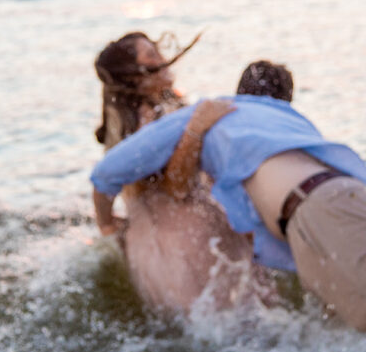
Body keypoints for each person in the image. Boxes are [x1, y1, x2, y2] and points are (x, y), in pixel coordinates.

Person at [92, 61, 366, 346]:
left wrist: (107, 225)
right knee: (361, 342)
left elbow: (106, 173)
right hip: (360, 206)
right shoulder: (289, 123)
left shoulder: (217, 112)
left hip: (322, 212)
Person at [92, 32, 270, 313]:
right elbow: (177, 187)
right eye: (151, 56)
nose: (163, 60)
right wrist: (197, 128)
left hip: (157, 244)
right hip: (183, 244)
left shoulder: (150, 115)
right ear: (135, 77)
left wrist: (107, 226)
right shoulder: (147, 123)